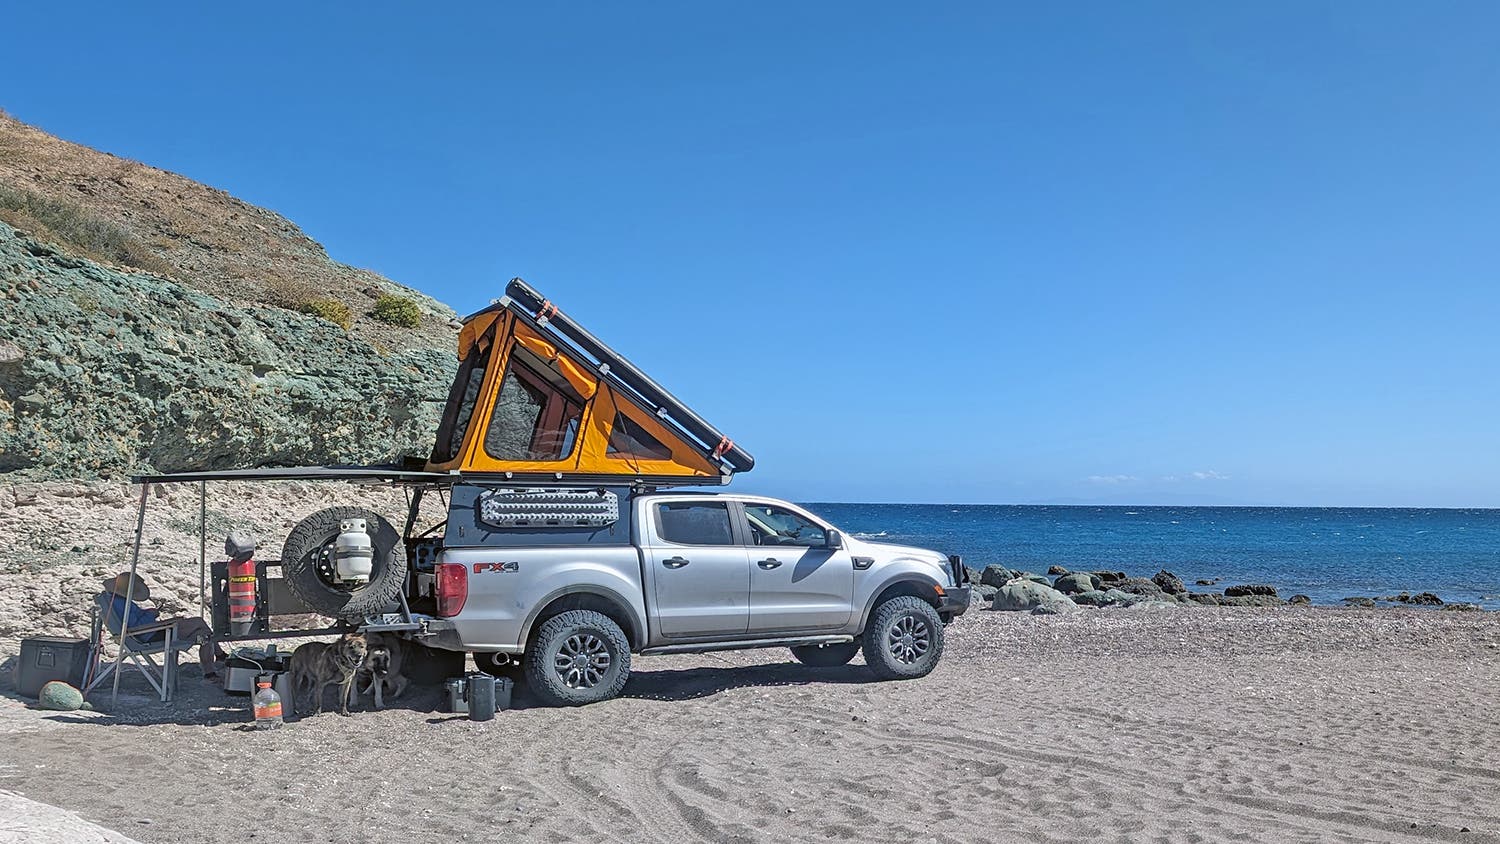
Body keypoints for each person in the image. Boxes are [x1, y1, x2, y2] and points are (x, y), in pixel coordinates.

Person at [98, 572, 222, 680]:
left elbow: (134, 620)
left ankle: (210, 672)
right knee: (199, 622)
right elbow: (136, 625)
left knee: (203, 634)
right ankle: (218, 656)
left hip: (147, 632)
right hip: (148, 635)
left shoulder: (116, 600)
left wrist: (147, 613)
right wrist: (151, 615)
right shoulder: (122, 604)